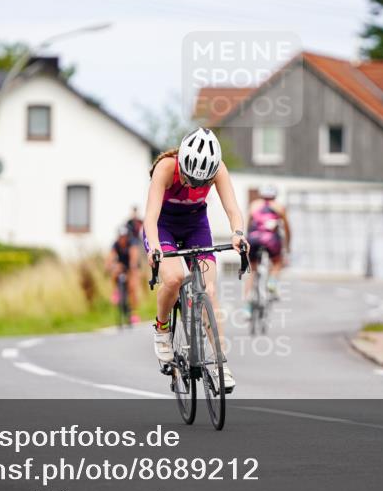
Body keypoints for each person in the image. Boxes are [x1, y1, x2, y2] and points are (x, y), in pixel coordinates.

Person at [143, 127, 247, 391]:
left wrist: (237, 234)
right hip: (164, 226)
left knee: (209, 291)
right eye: (191, 179)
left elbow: (233, 209)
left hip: (195, 226)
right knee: (175, 277)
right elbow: (151, 218)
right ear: (183, 164)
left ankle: (220, 362)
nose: (195, 186)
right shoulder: (166, 168)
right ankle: (162, 329)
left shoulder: (218, 169)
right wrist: (154, 248)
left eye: (203, 182)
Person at [244, 184, 291, 304]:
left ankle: (247, 307)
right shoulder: (279, 207)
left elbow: (248, 225)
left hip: (253, 239)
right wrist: (287, 246)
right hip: (271, 240)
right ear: (275, 195)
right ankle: (272, 283)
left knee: (252, 271)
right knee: (277, 262)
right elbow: (287, 229)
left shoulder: (254, 205)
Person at [106, 226, 141, 324]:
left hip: (132, 267)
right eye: (120, 237)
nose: (122, 239)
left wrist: (132, 268)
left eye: (124, 237)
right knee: (115, 271)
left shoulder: (132, 242)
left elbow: (133, 258)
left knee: (132, 287)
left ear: (127, 237)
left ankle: (134, 313)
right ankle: (116, 291)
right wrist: (111, 266)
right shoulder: (115, 244)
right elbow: (110, 257)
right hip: (122, 267)